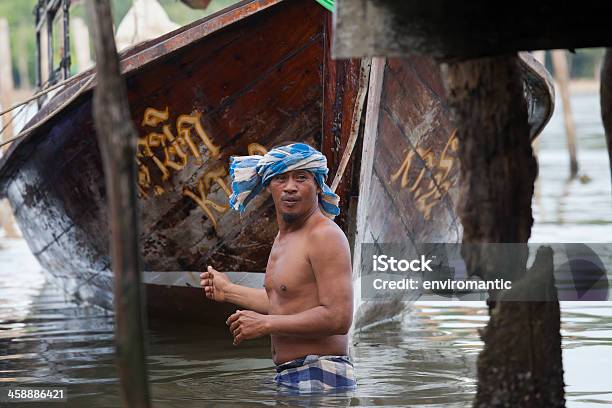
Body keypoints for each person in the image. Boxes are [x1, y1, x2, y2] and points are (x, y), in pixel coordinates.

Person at [200, 143, 355, 391]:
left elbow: (338, 318)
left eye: (301, 177)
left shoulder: (324, 236)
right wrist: (228, 291)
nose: (290, 187)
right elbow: (286, 301)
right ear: (268, 185)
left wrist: (266, 323)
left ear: (317, 185)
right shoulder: (285, 237)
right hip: (292, 374)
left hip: (320, 374)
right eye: (281, 178)